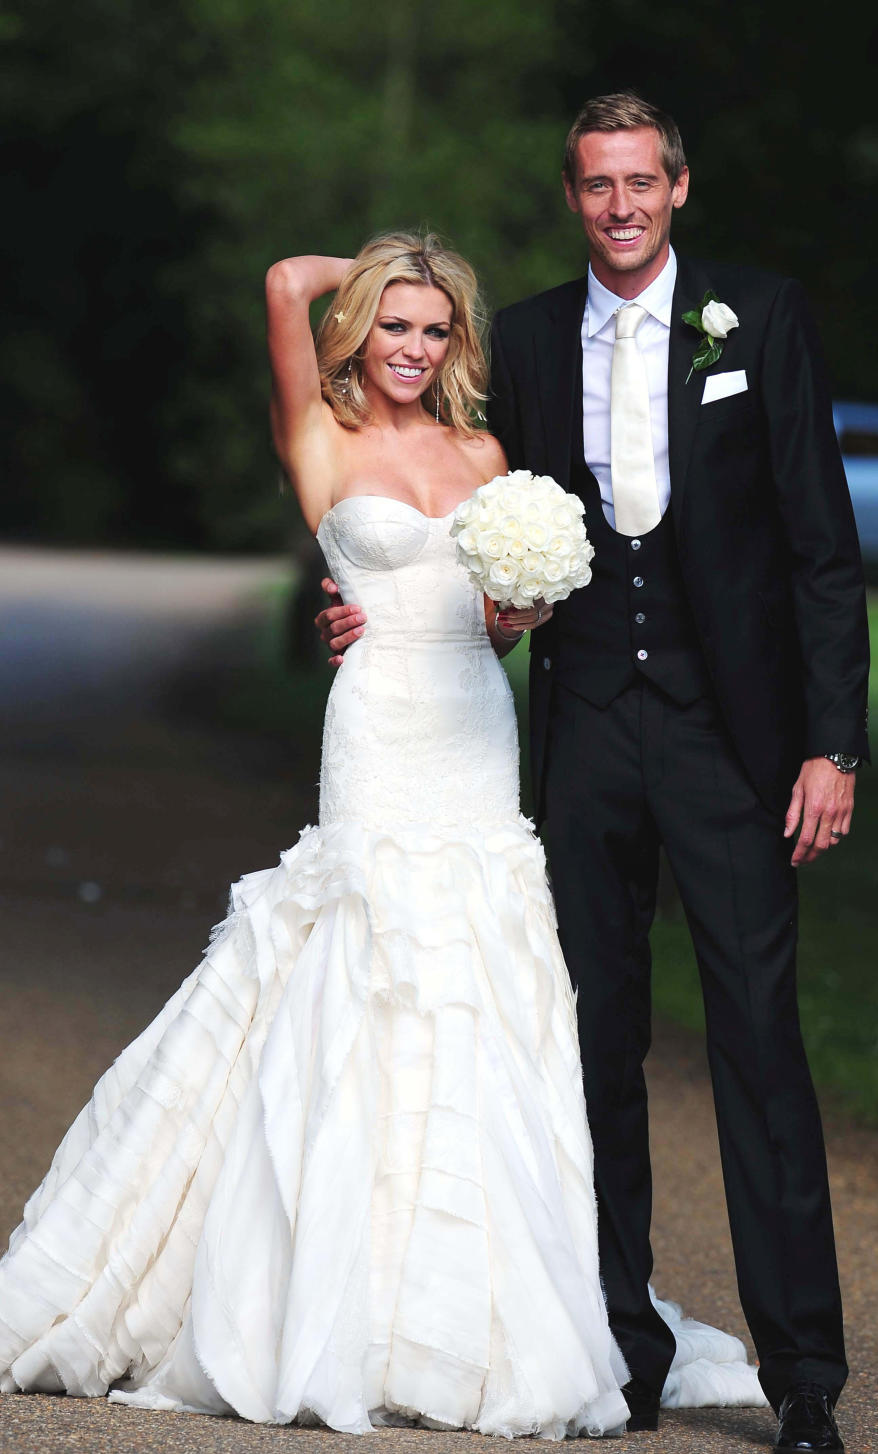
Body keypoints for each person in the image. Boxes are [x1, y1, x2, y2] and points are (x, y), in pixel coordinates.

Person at [0, 231, 763, 1437]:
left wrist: (514, 615)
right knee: (365, 964)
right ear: (359, 329)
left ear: (459, 341)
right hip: (378, 727)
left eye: (434, 328)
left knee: (480, 974)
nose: (412, 348)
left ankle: (467, 1293)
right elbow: (280, 284)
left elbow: (507, 619)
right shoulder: (321, 433)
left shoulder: (487, 451)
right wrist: (381, 259)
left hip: (473, 718)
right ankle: (332, 1287)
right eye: (392, 324)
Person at [321, 98, 870, 1454]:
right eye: (595, 185)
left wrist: (832, 742)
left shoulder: (762, 315)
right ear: (573, 197)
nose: (619, 206)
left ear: (679, 187)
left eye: (641, 182)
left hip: (732, 743)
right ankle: (617, 1348)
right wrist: (373, 607)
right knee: (592, 1048)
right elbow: (474, 509)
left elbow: (821, 545)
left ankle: (805, 1374)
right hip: (586, 740)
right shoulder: (518, 336)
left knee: (758, 1042)